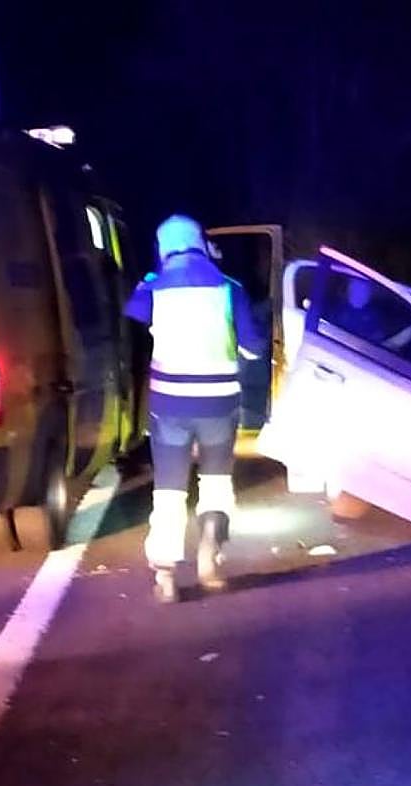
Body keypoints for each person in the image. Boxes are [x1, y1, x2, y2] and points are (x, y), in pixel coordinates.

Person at [125, 215, 265, 602]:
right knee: (216, 481)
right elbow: (253, 348)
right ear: (201, 243)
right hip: (219, 405)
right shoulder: (229, 287)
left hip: (169, 405)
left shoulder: (152, 288)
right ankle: (210, 552)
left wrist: (156, 276)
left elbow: (134, 314)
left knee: (169, 489)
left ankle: (166, 572)